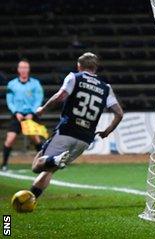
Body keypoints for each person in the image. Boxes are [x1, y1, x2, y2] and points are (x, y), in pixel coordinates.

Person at [28, 52, 123, 201]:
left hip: (67, 130)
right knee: (50, 170)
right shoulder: (106, 87)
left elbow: (60, 96)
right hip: (85, 138)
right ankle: (30, 200)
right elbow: (119, 114)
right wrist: (107, 131)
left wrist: (42, 109)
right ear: (96, 68)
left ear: (79, 66)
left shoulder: (74, 77)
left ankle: (55, 159)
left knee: (37, 166)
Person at [2, 59, 45, 171]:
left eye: (26, 67)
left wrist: (32, 112)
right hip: (17, 115)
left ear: (29, 69)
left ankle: (44, 163)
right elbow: (10, 101)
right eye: (21, 67)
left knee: (36, 139)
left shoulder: (35, 84)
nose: (23, 70)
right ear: (18, 69)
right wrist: (16, 112)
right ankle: (4, 165)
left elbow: (38, 100)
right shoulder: (12, 84)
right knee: (10, 139)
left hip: (31, 115)